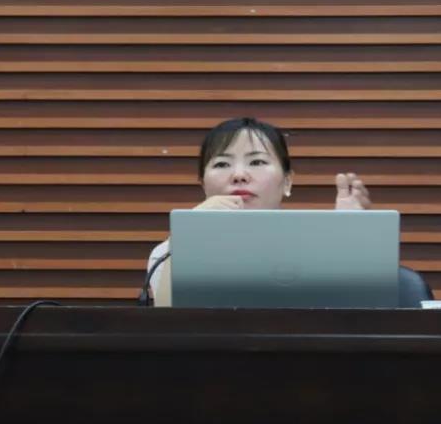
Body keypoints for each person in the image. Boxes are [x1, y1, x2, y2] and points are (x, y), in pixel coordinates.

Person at [146, 117, 371, 306]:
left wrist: (348, 241)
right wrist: (188, 234)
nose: (239, 175)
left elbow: (356, 318)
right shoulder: (168, 252)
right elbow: (165, 324)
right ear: (203, 185)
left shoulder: (321, 245)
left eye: (257, 162)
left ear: (287, 181)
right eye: (222, 164)